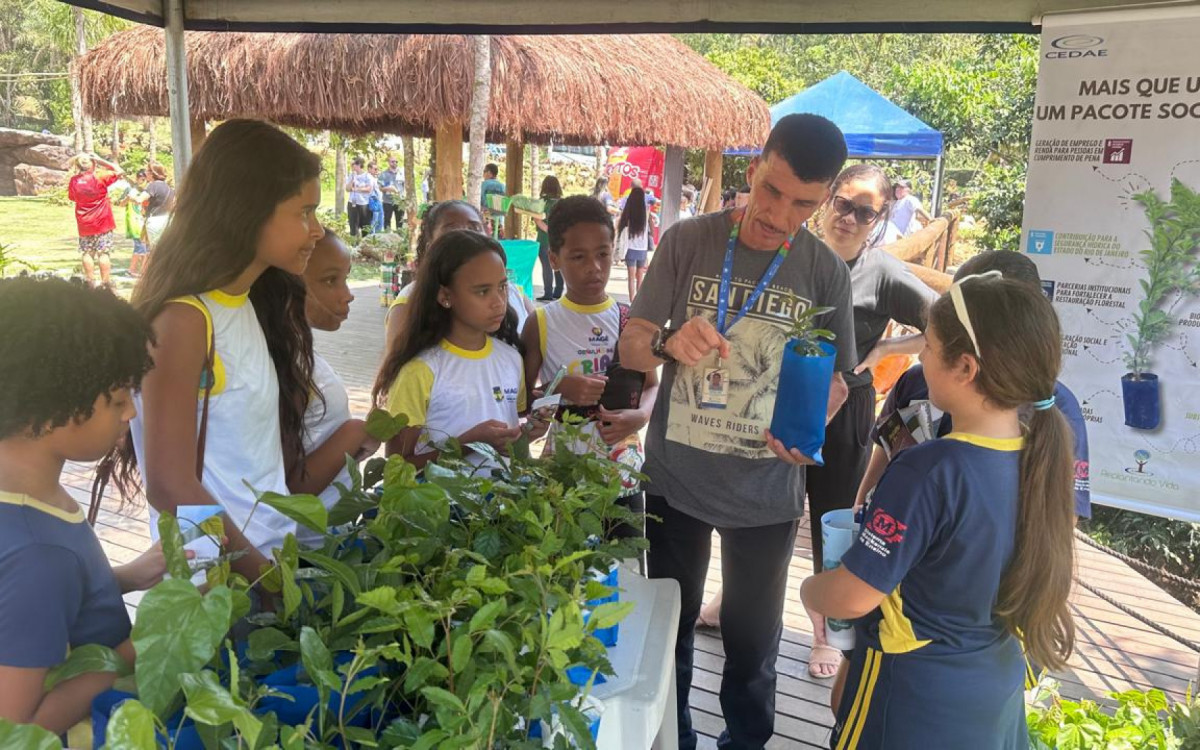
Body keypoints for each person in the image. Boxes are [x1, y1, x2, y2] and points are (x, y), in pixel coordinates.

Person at [617, 113, 855, 750]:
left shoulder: (825, 271)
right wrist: (668, 342)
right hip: (676, 482)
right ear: (754, 168)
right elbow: (632, 347)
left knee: (753, 649)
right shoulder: (687, 240)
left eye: (803, 203)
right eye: (771, 190)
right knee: (670, 631)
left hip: (767, 494)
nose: (778, 213)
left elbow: (839, 382)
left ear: (825, 198)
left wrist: (812, 424)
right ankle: (677, 740)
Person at [801, 274, 1076, 749]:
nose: (921, 357)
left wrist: (811, 589)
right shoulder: (1039, 458)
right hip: (991, 688)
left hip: (912, 696)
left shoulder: (929, 469)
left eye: (928, 345)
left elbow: (851, 596)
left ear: (964, 367)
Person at [92, 119, 326, 586]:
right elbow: (170, 485)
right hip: (221, 582)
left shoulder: (249, 301)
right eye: (304, 212)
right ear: (248, 209)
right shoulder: (184, 321)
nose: (317, 230)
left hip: (267, 561)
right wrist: (259, 579)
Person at [740, 164, 937, 680]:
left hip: (845, 403)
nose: (849, 217)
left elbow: (947, 324)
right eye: (843, 203)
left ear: (880, 217)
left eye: (864, 211)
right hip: (779, 397)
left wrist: (890, 347)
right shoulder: (790, 255)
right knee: (761, 507)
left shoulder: (884, 273)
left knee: (831, 518)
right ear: (827, 199)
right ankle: (734, 598)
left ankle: (826, 631)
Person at [0, 277, 173, 736]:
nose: (130, 414)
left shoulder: (26, 500)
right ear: (50, 404)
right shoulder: (40, 553)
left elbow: (25, 610)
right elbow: (19, 727)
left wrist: (124, 578)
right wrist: (141, 643)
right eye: (117, 399)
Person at [855, 250, 1092, 522]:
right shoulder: (917, 383)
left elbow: (1061, 519)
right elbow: (885, 453)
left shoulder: (1053, 407)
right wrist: (858, 509)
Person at [521, 196, 659, 545]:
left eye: (602, 253)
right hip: (564, 475)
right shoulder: (540, 322)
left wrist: (640, 416)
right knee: (565, 571)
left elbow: (652, 385)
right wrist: (560, 388)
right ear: (554, 259)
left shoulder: (632, 321)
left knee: (623, 573)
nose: (594, 267)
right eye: (578, 257)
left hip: (623, 473)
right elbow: (521, 401)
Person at [375, 230, 529, 469]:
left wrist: (530, 430)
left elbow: (511, 440)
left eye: (502, 287)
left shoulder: (511, 359)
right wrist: (468, 444)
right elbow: (398, 466)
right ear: (445, 295)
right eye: (482, 291)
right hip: (442, 505)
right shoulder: (419, 370)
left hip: (505, 503)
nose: (499, 301)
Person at [292, 230, 379, 544]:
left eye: (346, 278)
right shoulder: (287, 369)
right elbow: (292, 488)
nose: (348, 293)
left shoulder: (301, 353)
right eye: (330, 281)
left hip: (333, 533)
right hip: (309, 549)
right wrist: (355, 432)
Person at [384, 200, 534, 353]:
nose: (465, 235)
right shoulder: (410, 302)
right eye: (452, 230)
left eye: (474, 228)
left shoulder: (514, 293)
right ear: (431, 247)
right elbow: (393, 368)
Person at [67, 153, 124, 287]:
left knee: (87, 252)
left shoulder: (74, 181)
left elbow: (72, 197)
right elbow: (120, 171)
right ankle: (105, 283)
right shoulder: (100, 177)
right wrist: (101, 160)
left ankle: (90, 282)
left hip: (84, 223)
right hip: (103, 221)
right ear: (92, 164)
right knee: (103, 253)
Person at [617, 185, 653, 302]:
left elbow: (621, 228)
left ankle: (632, 300)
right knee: (640, 277)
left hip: (630, 248)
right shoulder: (645, 212)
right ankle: (639, 301)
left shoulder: (628, 212)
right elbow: (650, 231)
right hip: (642, 249)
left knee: (631, 278)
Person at [535, 175, 564, 301]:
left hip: (544, 239)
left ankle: (547, 292)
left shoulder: (542, 202)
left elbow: (537, 220)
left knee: (547, 266)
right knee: (558, 264)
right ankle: (558, 291)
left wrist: (548, 230)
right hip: (559, 239)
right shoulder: (562, 203)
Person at [121, 169, 151, 277]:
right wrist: (128, 199)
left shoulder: (148, 190)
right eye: (142, 179)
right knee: (140, 247)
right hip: (134, 221)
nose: (143, 182)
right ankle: (133, 270)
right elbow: (121, 203)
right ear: (137, 178)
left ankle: (143, 270)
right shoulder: (131, 189)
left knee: (147, 248)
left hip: (145, 221)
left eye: (145, 180)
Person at [143, 163, 174, 251]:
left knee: (155, 249)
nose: (145, 173)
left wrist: (131, 196)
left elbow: (140, 199)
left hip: (155, 221)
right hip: (167, 219)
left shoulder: (153, 185)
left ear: (152, 173)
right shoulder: (168, 187)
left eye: (147, 171)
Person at [345, 157, 376, 239]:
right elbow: (347, 189)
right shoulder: (351, 175)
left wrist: (356, 189)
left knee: (365, 227)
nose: (351, 166)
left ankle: (365, 245)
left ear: (359, 165)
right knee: (353, 226)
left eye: (353, 164)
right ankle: (354, 245)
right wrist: (352, 179)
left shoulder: (367, 176)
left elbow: (369, 189)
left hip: (364, 204)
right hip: (353, 203)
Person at [379, 156, 405, 232]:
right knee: (387, 220)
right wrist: (388, 189)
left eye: (396, 161)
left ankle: (400, 237)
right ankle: (387, 237)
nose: (395, 163)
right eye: (393, 161)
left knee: (400, 221)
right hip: (387, 201)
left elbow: (406, 186)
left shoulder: (401, 173)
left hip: (400, 201)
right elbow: (380, 188)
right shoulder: (383, 174)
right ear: (389, 162)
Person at [481, 162, 507, 235]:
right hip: (499, 221)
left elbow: (479, 201)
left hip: (486, 219)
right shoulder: (503, 186)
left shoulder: (484, 185)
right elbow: (502, 207)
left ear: (489, 173)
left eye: (484, 171)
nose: (483, 174)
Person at [367, 162, 385, 235]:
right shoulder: (368, 177)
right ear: (369, 169)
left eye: (377, 169)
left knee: (380, 220)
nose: (376, 171)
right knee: (374, 220)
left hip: (379, 201)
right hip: (374, 201)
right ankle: (372, 237)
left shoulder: (374, 177)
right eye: (375, 169)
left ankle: (377, 236)